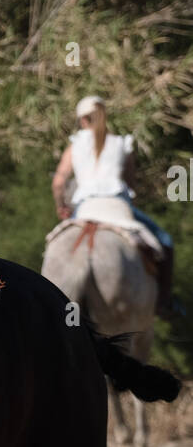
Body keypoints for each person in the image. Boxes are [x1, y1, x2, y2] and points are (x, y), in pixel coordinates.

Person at [51, 94, 175, 317]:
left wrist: (62, 206)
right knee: (165, 240)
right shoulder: (122, 144)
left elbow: (59, 183)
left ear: (82, 120)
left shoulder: (74, 146)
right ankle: (163, 303)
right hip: (118, 208)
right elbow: (130, 185)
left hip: (85, 209)